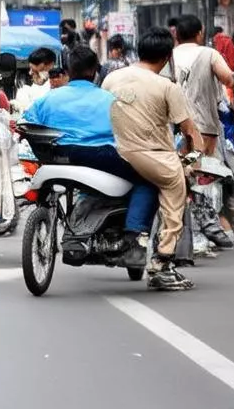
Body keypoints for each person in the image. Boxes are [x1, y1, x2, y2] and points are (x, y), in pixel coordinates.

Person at [23, 45, 159, 268]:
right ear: (96, 70)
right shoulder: (110, 100)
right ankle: (134, 238)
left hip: (57, 155)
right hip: (101, 157)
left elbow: (26, 122)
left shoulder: (48, 99)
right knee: (148, 178)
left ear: (68, 70)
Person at [104, 28, 202, 291]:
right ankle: (163, 261)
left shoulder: (112, 77)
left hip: (113, 152)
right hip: (153, 156)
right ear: (168, 57)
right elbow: (189, 131)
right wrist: (192, 159)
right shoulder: (167, 87)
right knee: (175, 189)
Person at [173, 15, 234, 155]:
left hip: (174, 128)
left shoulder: (168, 56)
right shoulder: (209, 53)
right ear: (199, 33)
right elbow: (228, 79)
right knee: (204, 168)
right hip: (203, 126)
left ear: (177, 35)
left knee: (183, 166)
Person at [12, 47, 56, 113]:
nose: (30, 73)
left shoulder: (56, 86)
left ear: (50, 65)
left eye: (35, 71)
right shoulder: (30, 87)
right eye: (31, 69)